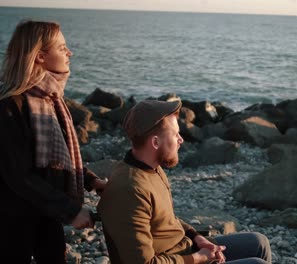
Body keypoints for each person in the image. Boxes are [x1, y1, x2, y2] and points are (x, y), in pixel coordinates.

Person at [98, 99, 272, 264]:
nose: (181, 140)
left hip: (184, 250)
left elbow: (167, 220)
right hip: (180, 259)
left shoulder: (152, 168)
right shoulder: (130, 189)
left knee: (259, 242)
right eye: (175, 134)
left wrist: (197, 237)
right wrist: (197, 258)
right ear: (155, 142)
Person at [0, 20, 108, 263]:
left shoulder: (52, 98)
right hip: (12, 221)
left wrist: (92, 181)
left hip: (45, 214)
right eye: (62, 48)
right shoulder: (9, 106)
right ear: (39, 56)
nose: (69, 53)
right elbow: (19, 176)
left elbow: (59, 160)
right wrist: (71, 211)